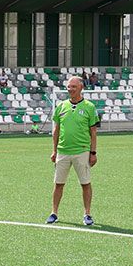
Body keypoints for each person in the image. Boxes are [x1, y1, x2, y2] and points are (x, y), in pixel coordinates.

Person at [47, 76, 99, 227]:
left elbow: (93, 132)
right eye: (69, 87)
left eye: (74, 87)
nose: (70, 89)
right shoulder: (61, 106)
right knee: (58, 183)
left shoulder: (89, 107)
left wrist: (93, 153)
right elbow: (56, 130)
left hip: (82, 151)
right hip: (63, 151)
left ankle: (87, 214)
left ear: (81, 88)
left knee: (85, 183)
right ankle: (54, 213)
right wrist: (54, 150)